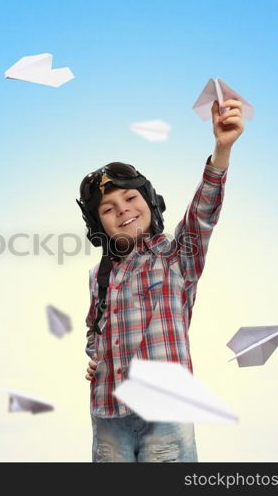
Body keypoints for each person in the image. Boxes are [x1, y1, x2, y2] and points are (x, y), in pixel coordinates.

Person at [75, 99, 245, 462]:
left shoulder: (177, 256)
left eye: (130, 198)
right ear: (98, 225)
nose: (122, 209)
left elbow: (203, 212)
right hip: (107, 413)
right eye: (108, 209)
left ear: (150, 203)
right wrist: (95, 355)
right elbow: (95, 328)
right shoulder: (99, 275)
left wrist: (221, 150)